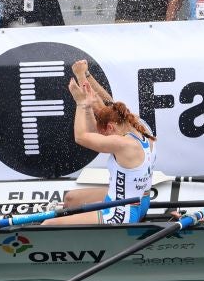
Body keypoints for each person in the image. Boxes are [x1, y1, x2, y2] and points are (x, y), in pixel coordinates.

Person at [43, 61, 155, 225]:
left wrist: (81, 104)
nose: (101, 135)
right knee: (71, 199)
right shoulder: (139, 125)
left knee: (47, 225)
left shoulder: (122, 144)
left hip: (121, 213)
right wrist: (84, 75)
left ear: (110, 127)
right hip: (138, 199)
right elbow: (106, 104)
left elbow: (81, 137)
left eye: (102, 132)